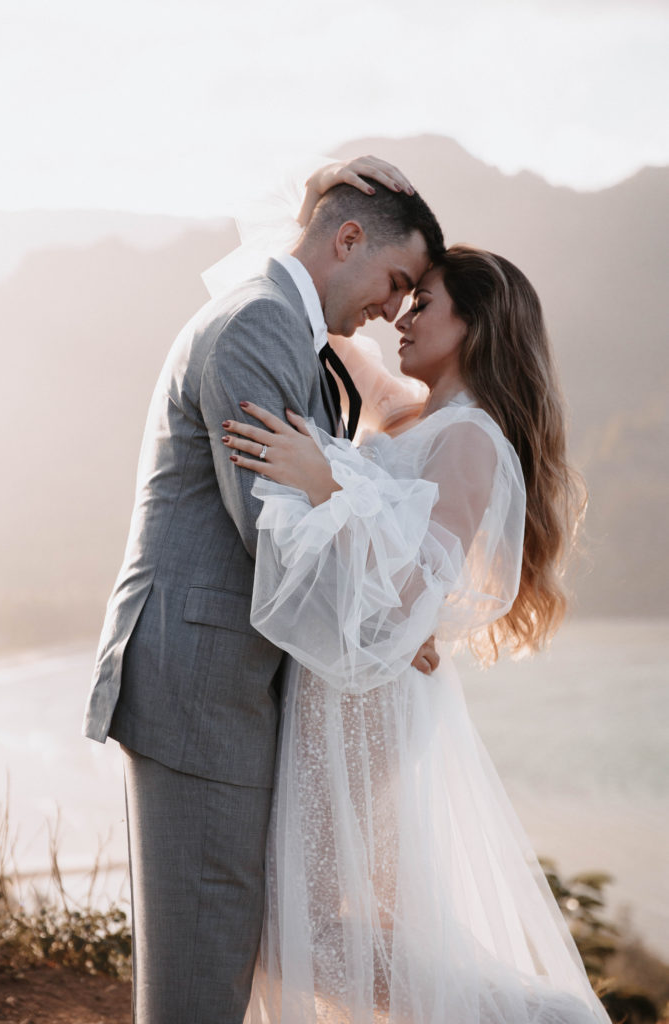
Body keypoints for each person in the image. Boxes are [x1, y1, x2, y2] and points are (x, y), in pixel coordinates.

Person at [81, 157, 445, 1023]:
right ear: (346, 239)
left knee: (217, 947)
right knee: (202, 965)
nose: (390, 311)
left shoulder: (290, 328)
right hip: (200, 688)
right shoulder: (256, 325)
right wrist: (389, 623)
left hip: (215, 683)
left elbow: (314, 502)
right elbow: (279, 535)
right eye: (394, 283)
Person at [222, 250, 612, 1022]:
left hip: (369, 698)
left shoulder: (470, 437)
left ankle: (548, 1018)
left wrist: (325, 481)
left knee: (298, 927)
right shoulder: (404, 410)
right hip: (343, 680)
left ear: (474, 323)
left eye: (421, 303)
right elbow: (304, 290)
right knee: (367, 911)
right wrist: (323, 186)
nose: (397, 319)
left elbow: (415, 579)